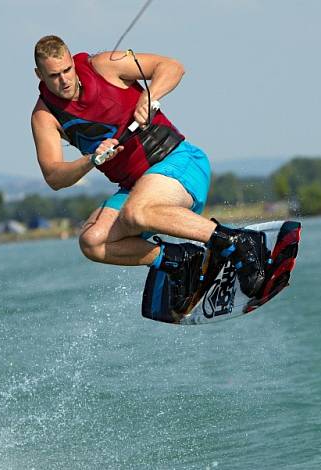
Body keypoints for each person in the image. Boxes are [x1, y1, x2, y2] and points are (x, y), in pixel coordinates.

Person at [30, 35, 267, 311]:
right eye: (54, 76)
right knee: (93, 241)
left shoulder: (105, 65)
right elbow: (54, 176)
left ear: (72, 62)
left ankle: (238, 242)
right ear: (39, 75)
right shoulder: (45, 116)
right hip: (136, 187)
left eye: (67, 70)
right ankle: (178, 260)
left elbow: (172, 66)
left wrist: (149, 96)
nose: (64, 81)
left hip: (178, 162)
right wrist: (90, 160)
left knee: (136, 211)